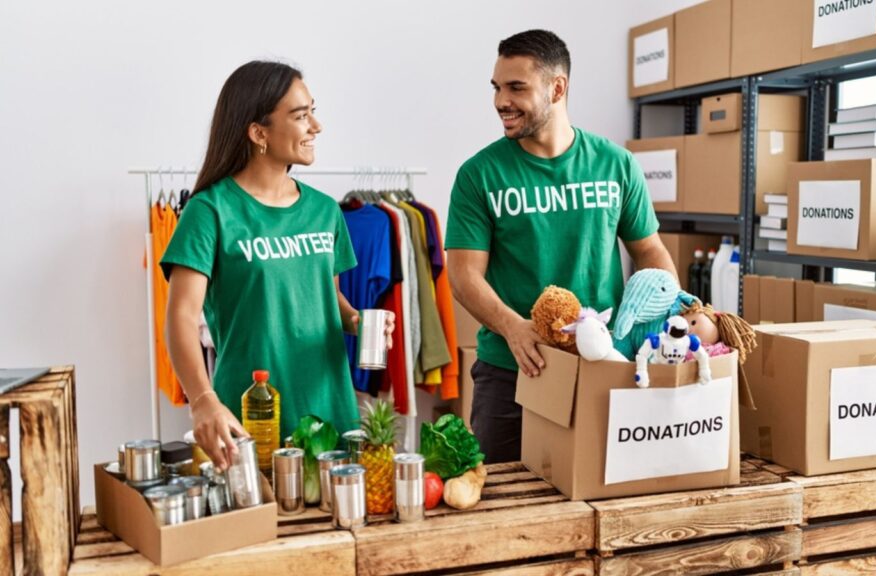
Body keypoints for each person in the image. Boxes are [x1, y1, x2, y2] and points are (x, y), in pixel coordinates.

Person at [445, 30, 676, 463]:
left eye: (516, 87)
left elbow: (649, 251)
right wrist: (513, 327)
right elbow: (463, 275)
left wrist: (672, 309)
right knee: (500, 506)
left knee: (598, 500)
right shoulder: (479, 175)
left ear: (557, 88)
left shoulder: (616, 164)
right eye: (496, 87)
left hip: (603, 364)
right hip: (512, 370)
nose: (500, 101)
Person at [162, 61, 393, 470]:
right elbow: (181, 316)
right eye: (301, 116)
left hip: (331, 414)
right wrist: (202, 401)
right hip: (251, 421)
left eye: (313, 111)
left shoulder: (324, 210)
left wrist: (358, 321)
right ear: (258, 133)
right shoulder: (209, 211)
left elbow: (326, 294)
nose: (316, 126)